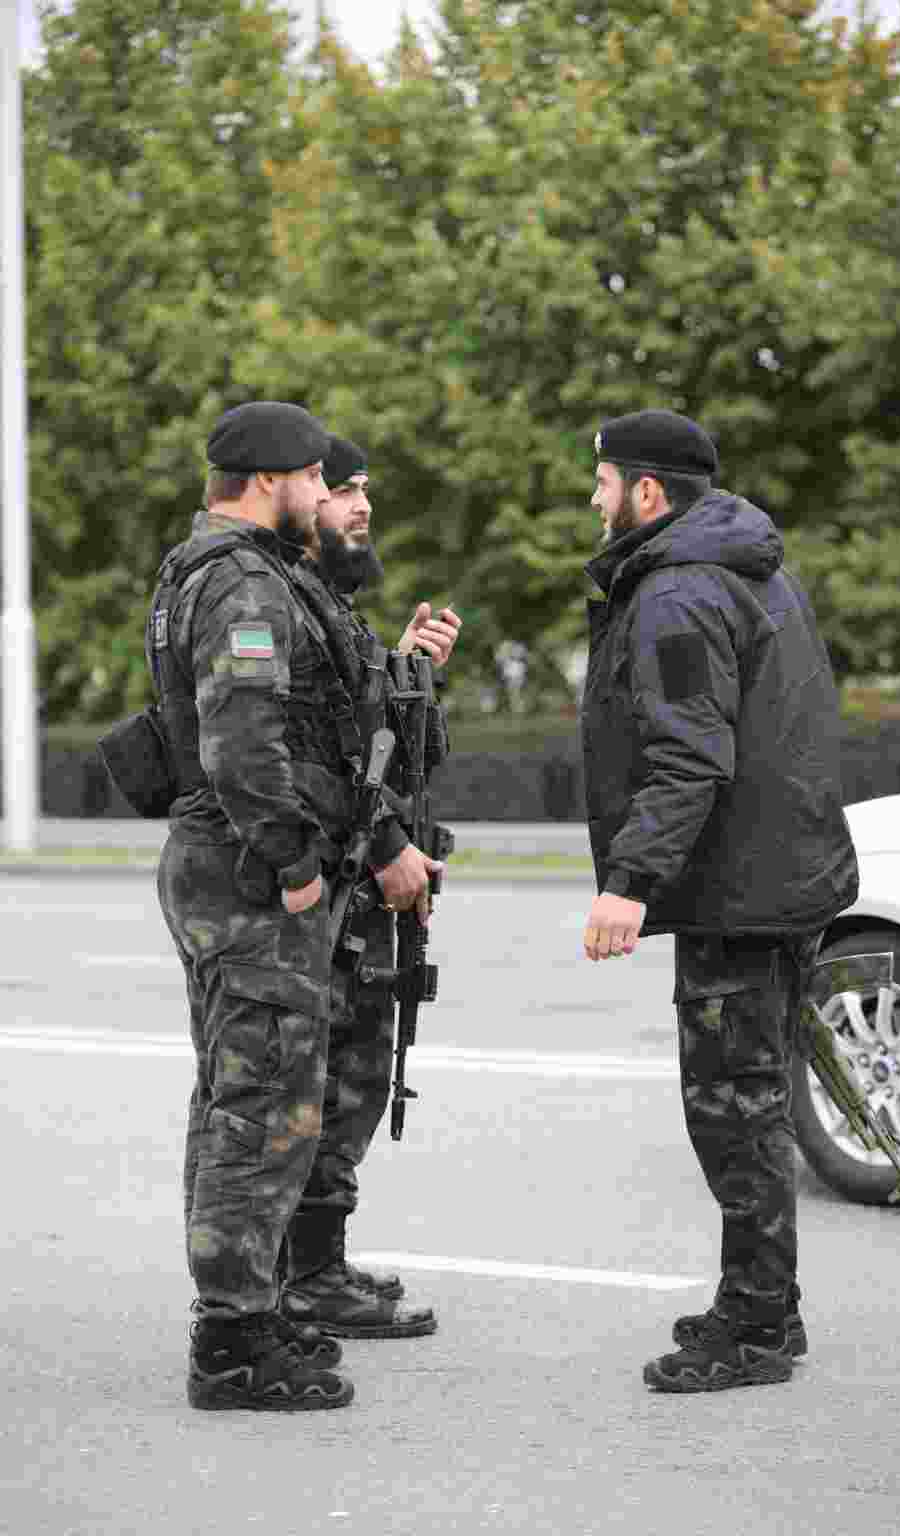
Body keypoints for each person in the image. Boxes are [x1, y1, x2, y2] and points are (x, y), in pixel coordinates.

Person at [153, 401, 440, 1410]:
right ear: (274, 478)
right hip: (249, 876)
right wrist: (295, 866)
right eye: (319, 479)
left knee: (250, 1100)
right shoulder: (240, 582)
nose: (329, 497)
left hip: (236, 870)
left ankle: (256, 1308)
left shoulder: (241, 571)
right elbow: (242, 742)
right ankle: (233, 1344)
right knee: (261, 1110)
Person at [579, 408, 859, 1393]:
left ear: (647, 491)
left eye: (604, 480)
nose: (596, 498)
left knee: (732, 1111)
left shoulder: (682, 591)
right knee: (754, 1102)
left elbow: (689, 754)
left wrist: (629, 882)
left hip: (741, 894)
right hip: (774, 879)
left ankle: (750, 1330)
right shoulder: (752, 569)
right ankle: (763, 1309)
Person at [276, 435, 462, 1341]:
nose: (362, 507)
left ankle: (319, 1267)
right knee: (329, 1077)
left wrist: (411, 671)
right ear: (302, 499)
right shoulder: (290, 606)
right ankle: (302, 1278)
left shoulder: (336, 616)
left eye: (364, 493)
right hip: (338, 887)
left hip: (361, 889)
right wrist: (389, 846)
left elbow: (386, 748)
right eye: (342, 490)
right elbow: (323, 762)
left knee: (350, 1072)